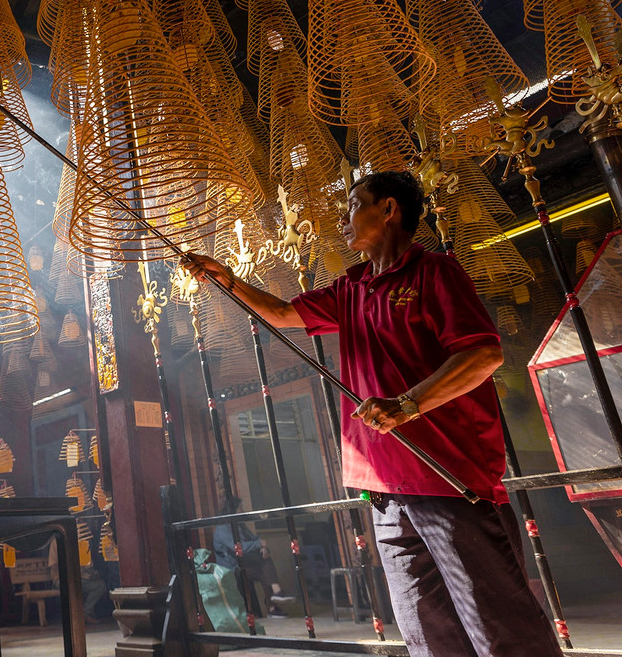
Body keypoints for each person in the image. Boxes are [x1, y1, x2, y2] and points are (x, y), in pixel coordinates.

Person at [183, 170, 562, 657]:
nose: (343, 218)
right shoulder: (351, 287)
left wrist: (407, 405)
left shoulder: (434, 273)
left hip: (447, 480)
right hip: (385, 492)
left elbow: (483, 354)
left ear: (388, 209)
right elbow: (280, 314)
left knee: (497, 627)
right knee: (427, 633)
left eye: (353, 205)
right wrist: (228, 280)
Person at [211, 499, 294, 618]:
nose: (242, 510)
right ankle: (275, 599)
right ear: (233, 510)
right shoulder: (223, 528)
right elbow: (239, 547)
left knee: (264, 569)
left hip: (244, 562)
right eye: (240, 508)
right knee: (264, 565)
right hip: (231, 567)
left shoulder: (240, 525)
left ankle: (273, 603)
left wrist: (263, 547)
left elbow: (254, 539)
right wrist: (259, 544)